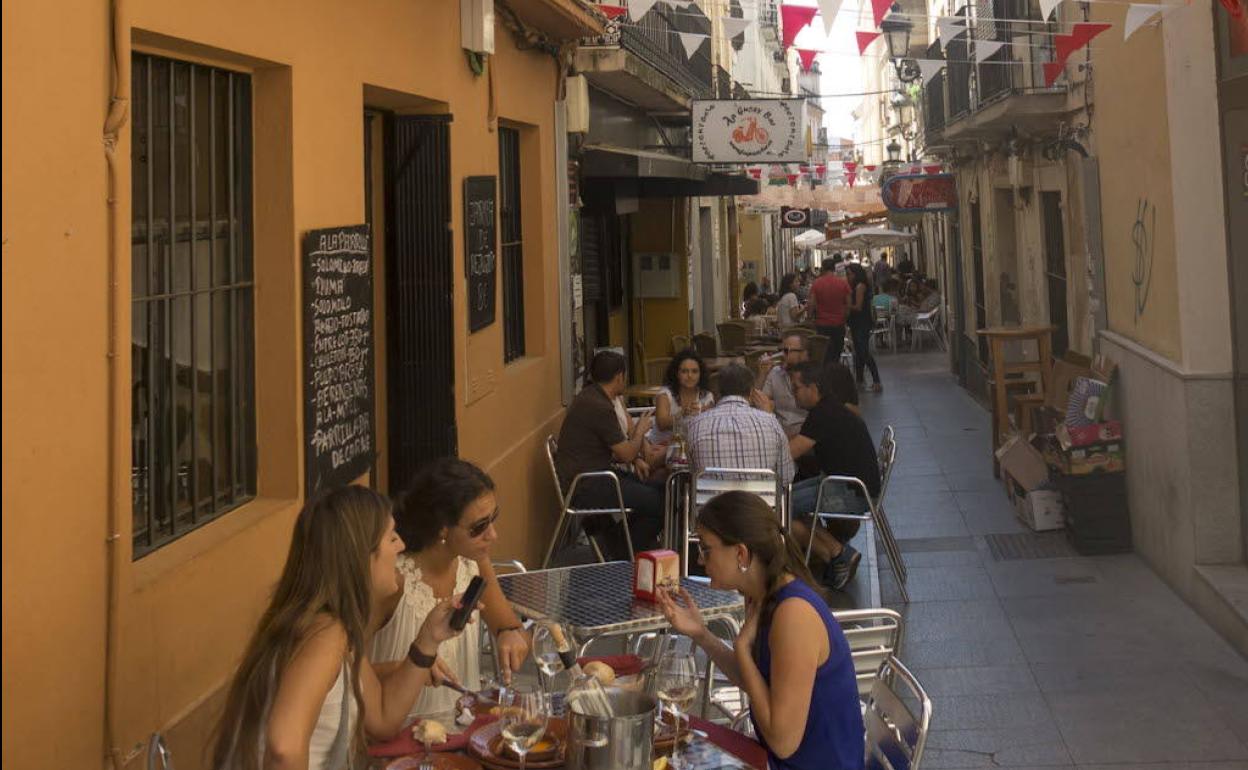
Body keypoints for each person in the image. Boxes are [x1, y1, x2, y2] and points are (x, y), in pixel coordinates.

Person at [212, 486, 465, 770]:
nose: (401, 546)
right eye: (391, 537)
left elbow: (382, 719)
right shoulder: (326, 634)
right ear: (361, 556)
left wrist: (428, 639)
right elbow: (283, 747)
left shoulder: (336, 626)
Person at [657, 492, 865, 770]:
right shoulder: (766, 595)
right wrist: (702, 634)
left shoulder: (793, 613)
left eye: (706, 549)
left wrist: (743, 650)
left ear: (741, 553)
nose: (700, 561)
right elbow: (759, 683)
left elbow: (783, 742)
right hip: (781, 760)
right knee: (669, 749)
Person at [372, 459, 530, 721]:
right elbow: (346, 672)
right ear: (442, 528)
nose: (493, 534)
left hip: (461, 727)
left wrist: (511, 635)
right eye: (479, 527)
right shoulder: (393, 580)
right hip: (401, 733)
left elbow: (509, 627)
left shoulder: (474, 563)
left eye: (494, 518)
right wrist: (408, 666)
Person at [555, 350, 666, 559]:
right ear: (619, 377)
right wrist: (641, 431)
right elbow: (625, 454)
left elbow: (617, 450)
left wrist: (638, 458)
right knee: (658, 503)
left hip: (595, 475)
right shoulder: (599, 407)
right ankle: (622, 552)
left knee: (659, 488)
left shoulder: (591, 397)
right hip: (587, 485)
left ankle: (618, 542)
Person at [786, 362, 880, 590]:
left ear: (813, 388)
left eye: (796, 388)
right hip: (850, 484)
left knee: (781, 509)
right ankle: (835, 553)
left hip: (852, 492)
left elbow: (789, 453)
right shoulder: (828, 408)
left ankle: (838, 552)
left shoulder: (823, 414)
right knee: (786, 499)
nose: (793, 395)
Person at [686, 363, 794, 487]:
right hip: (761, 505)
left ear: (718, 391)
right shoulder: (771, 423)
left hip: (712, 505)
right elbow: (786, 478)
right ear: (752, 392)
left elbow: (693, 474)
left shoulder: (696, 424)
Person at [750, 333, 810, 438]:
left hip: (805, 433)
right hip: (779, 432)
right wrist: (762, 373)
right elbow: (754, 402)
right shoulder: (775, 372)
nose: (782, 355)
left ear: (804, 354)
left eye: (786, 351)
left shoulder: (814, 377)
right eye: (781, 350)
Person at [652, 350, 716, 445]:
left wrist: (704, 413)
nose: (690, 376)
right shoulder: (665, 394)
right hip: (662, 446)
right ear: (677, 374)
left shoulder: (707, 396)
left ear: (700, 374)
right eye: (684, 371)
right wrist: (683, 413)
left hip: (693, 445)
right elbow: (661, 424)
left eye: (694, 371)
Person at [846, 263, 882, 393]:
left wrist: (846, 305)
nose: (847, 277)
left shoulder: (860, 286)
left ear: (856, 274)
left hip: (862, 323)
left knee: (863, 351)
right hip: (856, 323)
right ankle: (859, 379)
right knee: (859, 352)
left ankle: (876, 380)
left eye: (849, 274)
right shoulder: (855, 286)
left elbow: (858, 306)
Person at [807, 257, 851, 365]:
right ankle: (833, 375)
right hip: (838, 324)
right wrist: (844, 318)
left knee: (824, 354)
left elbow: (811, 304)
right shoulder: (843, 283)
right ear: (834, 268)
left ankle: (825, 376)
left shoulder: (816, 284)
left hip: (822, 325)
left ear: (823, 268)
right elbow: (848, 305)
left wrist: (810, 318)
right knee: (836, 354)